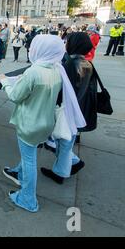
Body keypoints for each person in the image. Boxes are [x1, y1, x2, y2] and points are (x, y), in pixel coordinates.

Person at [0, 35, 85, 213]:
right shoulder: (56, 69)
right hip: (46, 123)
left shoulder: (34, 71)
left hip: (29, 124)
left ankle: (28, 199)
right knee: (29, 155)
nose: (31, 49)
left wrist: (4, 82)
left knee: (29, 159)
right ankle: (19, 173)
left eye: (33, 47)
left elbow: (15, 96)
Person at [40, 32, 96, 185]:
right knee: (66, 141)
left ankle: (60, 173)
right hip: (77, 108)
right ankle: (74, 162)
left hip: (67, 109)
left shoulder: (71, 64)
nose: (65, 44)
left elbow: (62, 88)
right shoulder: (86, 63)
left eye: (68, 42)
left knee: (63, 142)